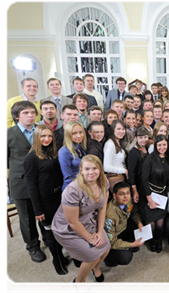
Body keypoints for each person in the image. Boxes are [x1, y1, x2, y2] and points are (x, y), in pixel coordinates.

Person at [51, 155, 110, 293]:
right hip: (67, 227)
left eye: (95, 168)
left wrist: (100, 232)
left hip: (89, 220)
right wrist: (91, 239)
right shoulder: (72, 190)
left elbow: (102, 209)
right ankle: (79, 282)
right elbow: (72, 221)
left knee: (106, 248)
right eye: (87, 169)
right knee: (92, 255)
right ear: (81, 170)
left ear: (100, 169)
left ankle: (96, 267)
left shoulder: (103, 182)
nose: (91, 172)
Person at [24, 124, 68, 274]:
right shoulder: (31, 158)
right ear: (36, 137)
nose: (47, 139)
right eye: (43, 136)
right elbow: (31, 186)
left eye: (49, 136)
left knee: (61, 229)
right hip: (45, 201)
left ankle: (61, 255)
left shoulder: (52, 152)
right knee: (50, 234)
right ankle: (57, 260)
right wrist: (38, 210)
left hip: (58, 197)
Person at [6, 101, 46, 262]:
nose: (30, 115)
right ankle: (33, 247)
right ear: (17, 116)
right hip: (21, 182)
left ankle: (48, 239)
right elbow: (5, 160)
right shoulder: (8, 134)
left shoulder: (42, 130)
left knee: (44, 213)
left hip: (42, 181)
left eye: (32, 112)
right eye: (25, 113)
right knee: (27, 218)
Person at [141, 135, 169, 253]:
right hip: (149, 193)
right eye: (159, 145)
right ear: (155, 146)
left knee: (160, 223)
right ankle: (153, 241)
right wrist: (149, 199)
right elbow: (144, 179)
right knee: (151, 224)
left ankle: (159, 240)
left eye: (164, 144)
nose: (162, 147)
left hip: (162, 194)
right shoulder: (149, 159)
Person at [104, 182, 144, 267]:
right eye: (121, 194)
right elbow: (111, 242)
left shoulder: (128, 200)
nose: (126, 197)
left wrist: (139, 223)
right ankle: (108, 260)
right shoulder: (110, 215)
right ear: (114, 196)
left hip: (121, 228)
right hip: (110, 241)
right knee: (126, 257)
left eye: (128, 193)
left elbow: (134, 212)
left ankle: (127, 242)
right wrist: (131, 245)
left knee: (137, 225)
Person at [59, 121, 87, 191]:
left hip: (84, 187)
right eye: (74, 133)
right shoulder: (64, 151)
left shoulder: (80, 147)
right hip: (72, 189)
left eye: (80, 132)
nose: (79, 136)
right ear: (68, 135)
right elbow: (68, 177)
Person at [103, 120, 129, 193]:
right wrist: (124, 170)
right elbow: (106, 167)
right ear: (113, 129)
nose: (121, 131)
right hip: (115, 179)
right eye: (118, 129)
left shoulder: (118, 142)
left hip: (120, 178)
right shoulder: (110, 144)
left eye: (123, 129)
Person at [128, 126, 149, 206]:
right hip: (139, 185)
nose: (143, 140)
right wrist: (135, 191)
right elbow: (131, 173)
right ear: (136, 138)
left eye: (145, 137)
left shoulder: (147, 148)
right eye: (140, 137)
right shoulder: (133, 153)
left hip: (146, 184)